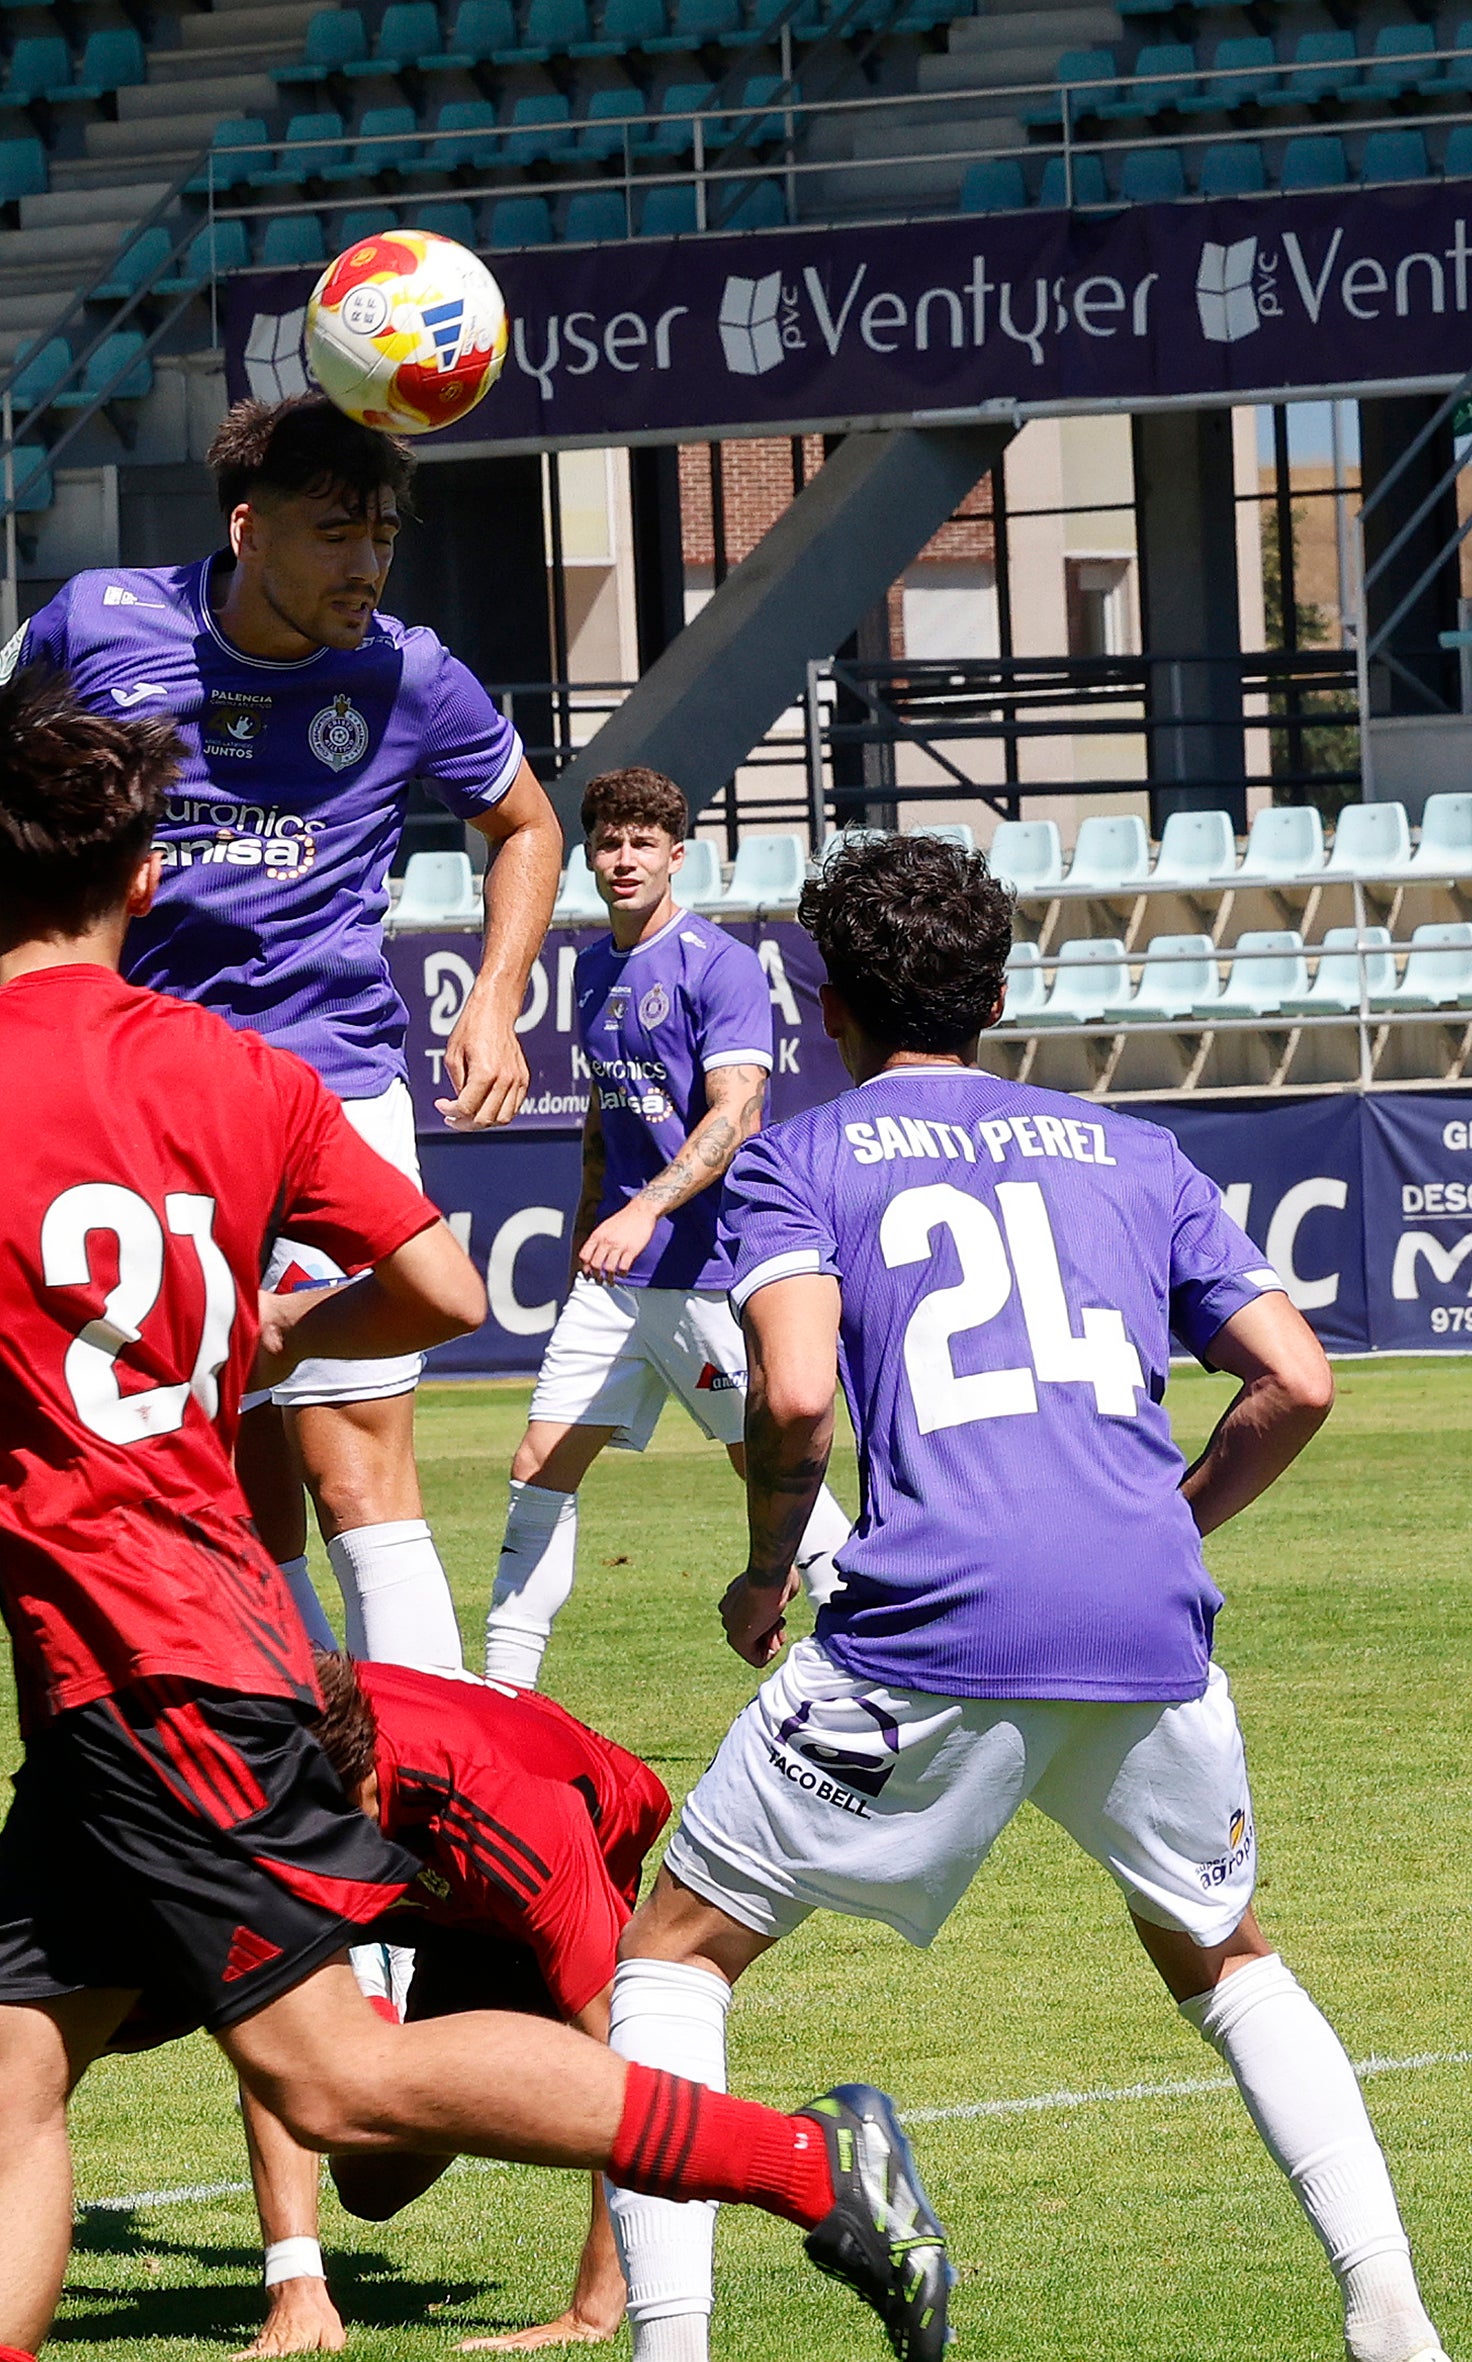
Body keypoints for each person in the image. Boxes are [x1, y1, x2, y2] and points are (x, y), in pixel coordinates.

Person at [0, 667, 951, 2362]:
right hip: (165, 1656)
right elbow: (433, 1279)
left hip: (154, 1664)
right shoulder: (236, 1067)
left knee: (336, 2080)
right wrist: (275, 1327)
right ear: (148, 879)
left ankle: (804, 2158)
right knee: (0, 2080)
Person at [602, 831, 1448, 2362]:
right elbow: (1299, 1379)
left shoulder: (804, 1155)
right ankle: (1389, 2304)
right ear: (996, 991)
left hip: (933, 1622)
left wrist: (764, 1561)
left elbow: (794, 1398)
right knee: (1227, 1952)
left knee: (670, 1951)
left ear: (828, 1000)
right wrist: (1170, 1523)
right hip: (1144, 1626)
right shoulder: (1137, 1153)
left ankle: (671, 2347)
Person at [0, 393, 566, 1676]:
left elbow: (529, 825)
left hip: (328, 1079)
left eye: (382, 534)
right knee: (226, 1461)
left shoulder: (408, 672)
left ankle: (434, 1786)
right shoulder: (100, 625)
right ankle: (318, 1751)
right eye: (336, 534)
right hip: (144, 1104)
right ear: (248, 528)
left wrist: (493, 993)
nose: (367, 564)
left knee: (363, 1452)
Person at [0, 1652, 669, 2361]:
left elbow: (630, 2059)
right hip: (411, 1855)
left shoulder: (514, 1817)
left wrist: (598, 2306)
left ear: (357, 1792)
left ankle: (375, 2022)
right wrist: (295, 2281)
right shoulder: (280, 1775)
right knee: (83, 2017)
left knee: (375, 2181)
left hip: (506, 1891)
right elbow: (268, 2032)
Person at [483, 768, 851, 1691]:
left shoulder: (717, 963)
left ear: (676, 856)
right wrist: (590, 1226)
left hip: (704, 1272)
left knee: (765, 1464)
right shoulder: (593, 963)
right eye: (608, 843)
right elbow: (606, 1122)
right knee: (538, 1466)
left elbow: (735, 1115)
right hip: (615, 1284)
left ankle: (866, 1650)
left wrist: (647, 1209)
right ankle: (503, 1691)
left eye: (643, 843)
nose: (623, 860)